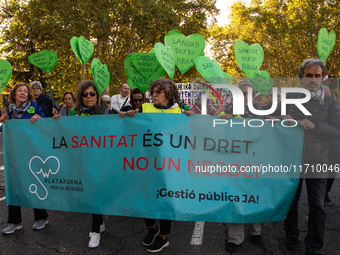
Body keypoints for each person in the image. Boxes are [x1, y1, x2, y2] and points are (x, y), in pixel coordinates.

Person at [120, 78, 192, 252]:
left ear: (168, 93)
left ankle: (163, 236)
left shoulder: (180, 112)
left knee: (165, 202)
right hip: (146, 166)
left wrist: (191, 120)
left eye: (158, 92)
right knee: (145, 200)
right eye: (153, 92)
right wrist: (126, 115)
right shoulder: (144, 108)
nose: (154, 95)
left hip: (169, 167)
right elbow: (127, 126)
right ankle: (152, 227)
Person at [282, 58, 340, 255]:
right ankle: (291, 237)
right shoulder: (288, 99)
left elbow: (338, 131)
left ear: (322, 77)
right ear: (301, 77)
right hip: (292, 160)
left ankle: (314, 245)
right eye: (309, 75)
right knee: (291, 201)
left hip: (318, 161)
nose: (313, 79)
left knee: (318, 206)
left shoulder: (331, 102)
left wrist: (315, 126)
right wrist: (283, 119)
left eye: (317, 75)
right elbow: (267, 119)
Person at [0, 82, 49, 235]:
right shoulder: (9, 109)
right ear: (13, 94)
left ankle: (41, 217)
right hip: (14, 152)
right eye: (19, 91)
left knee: (34, 181)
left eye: (25, 91)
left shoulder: (33, 105)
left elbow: (43, 121)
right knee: (13, 184)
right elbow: (5, 131)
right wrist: (3, 122)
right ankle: (15, 222)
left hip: (30, 151)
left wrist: (38, 117)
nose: (23, 93)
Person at [220, 80, 262, 252]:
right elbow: (218, 132)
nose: (246, 97)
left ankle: (255, 230)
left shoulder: (261, 109)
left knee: (254, 195)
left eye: (250, 93)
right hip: (234, 161)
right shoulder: (228, 109)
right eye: (243, 93)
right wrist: (221, 119)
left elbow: (270, 131)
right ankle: (235, 237)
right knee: (235, 197)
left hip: (255, 160)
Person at [74, 80, 113, 248]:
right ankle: (100, 222)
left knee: (95, 193)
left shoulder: (105, 112)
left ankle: (95, 230)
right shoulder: (75, 115)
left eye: (92, 94)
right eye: (85, 94)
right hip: (83, 161)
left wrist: (127, 115)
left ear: (97, 96)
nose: (89, 97)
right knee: (91, 193)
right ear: (81, 97)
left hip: (101, 161)